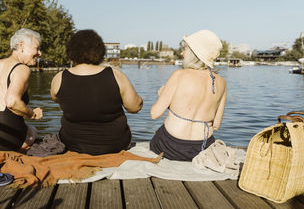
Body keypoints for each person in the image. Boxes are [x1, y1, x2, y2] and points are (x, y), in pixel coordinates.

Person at [50, 29, 143, 155]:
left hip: (73, 145)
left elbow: (56, 98)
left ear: (71, 51)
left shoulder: (59, 78)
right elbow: (134, 107)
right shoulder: (115, 75)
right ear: (100, 51)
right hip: (114, 145)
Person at [150, 30, 227, 161]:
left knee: (157, 135)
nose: (181, 53)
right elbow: (216, 124)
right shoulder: (221, 82)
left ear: (194, 53)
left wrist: (162, 96)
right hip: (203, 148)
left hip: (171, 147)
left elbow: (154, 114)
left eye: (185, 49)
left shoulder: (180, 75)